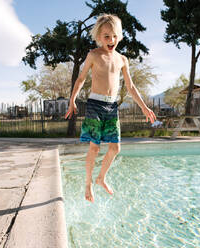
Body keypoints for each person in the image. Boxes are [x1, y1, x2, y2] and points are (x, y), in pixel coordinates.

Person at [65, 14, 156, 203]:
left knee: (115, 148)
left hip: (112, 106)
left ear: (119, 36)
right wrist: (72, 100)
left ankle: (101, 178)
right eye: (106, 36)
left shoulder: (122, 59)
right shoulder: (93, 55)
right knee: (95, 147)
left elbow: (130, 87)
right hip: (95, 105)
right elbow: (81, 79)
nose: (111, 40)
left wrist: (144, 107)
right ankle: (88, 183)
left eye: (114, 36)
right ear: (99, 37)